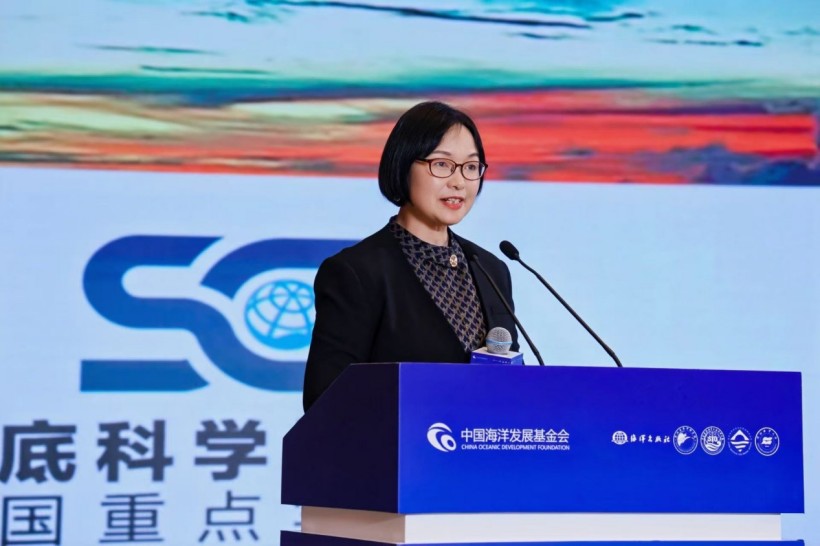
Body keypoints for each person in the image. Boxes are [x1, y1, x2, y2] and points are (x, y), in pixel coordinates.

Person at [303, 101, 519, 411]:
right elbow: (325, 400)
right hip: (397, 442)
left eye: (471, 167)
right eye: (442, 164)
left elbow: (512, 382)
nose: (459, 181)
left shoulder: (491, 269)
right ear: (403, 165)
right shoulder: (356, 272)